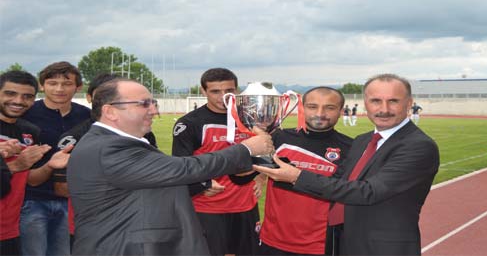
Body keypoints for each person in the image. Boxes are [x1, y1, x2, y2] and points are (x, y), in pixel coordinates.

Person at [68, 78, 274, 255]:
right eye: (144, 104)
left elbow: (158, 180)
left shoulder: (114, 142)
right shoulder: (110, 148)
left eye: (153, 103)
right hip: (121, 248)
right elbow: (182, 169)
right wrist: (245, 149)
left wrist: (203, 183)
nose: (154, 110)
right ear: (110, 111)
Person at [254, 73, 440, 255]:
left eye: (393, 101)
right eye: (375, 101)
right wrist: (269, 165)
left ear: (409, 104)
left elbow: (368, 191)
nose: (384, 109)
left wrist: (296, 176)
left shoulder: (418, 146)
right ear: (366, 103)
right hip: (344, 241)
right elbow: (336, 179)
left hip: (383, 247)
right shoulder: (363, 141)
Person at [51, 73, 158, 248]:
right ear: (90, 98)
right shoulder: (74, 137)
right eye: (103, 95)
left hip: (135, 222)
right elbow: (61, 189)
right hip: (92, 226)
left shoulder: (144, 133)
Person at [172, 67, 264, 255]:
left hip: (246, 206)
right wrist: (201, 183)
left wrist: (262, 175)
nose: (223, 96)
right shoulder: (190, 124)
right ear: (203, 91)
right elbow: (180, 167)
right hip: (208, 208)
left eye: (228, 91)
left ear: (236, 91)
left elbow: (266, 151)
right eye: (215, 91)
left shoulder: (250, 119)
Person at [258, 86, 353, 256]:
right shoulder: (278, 138)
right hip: (273, 240)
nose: (320, 113)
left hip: (321, 245)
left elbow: (347, 193)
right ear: (302, 108)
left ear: (340, 111)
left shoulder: (351, 148)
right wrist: (254, 145)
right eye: (312, 106)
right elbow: (241, 177)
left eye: (329, 107)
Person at [0, 71, 72, 256]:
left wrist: (50, 166)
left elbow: (30, 179)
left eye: (27, 96)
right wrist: (16, 165)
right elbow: (17, 168)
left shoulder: (29, 131)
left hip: (10, 227)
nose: (18, 101)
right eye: (10, 93)